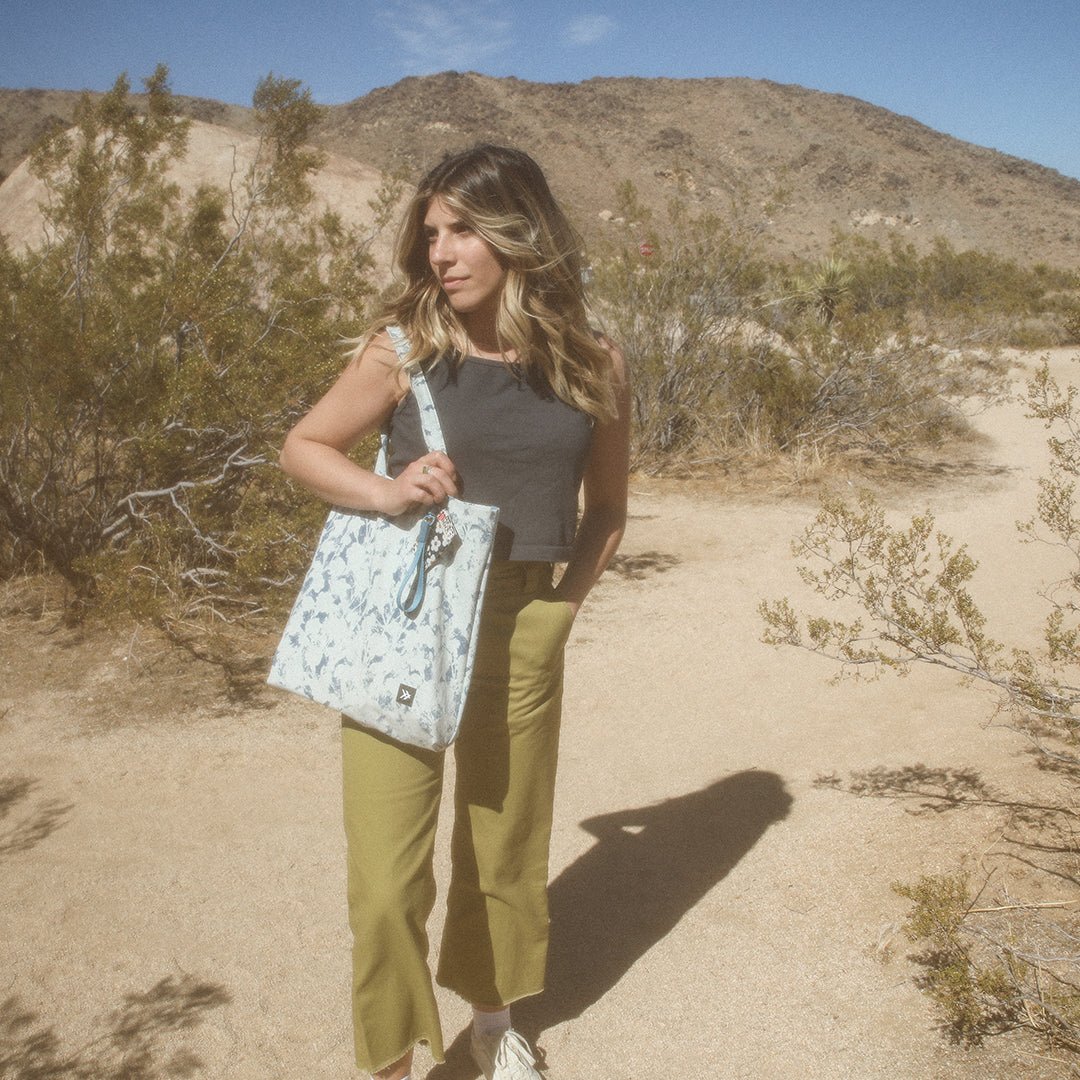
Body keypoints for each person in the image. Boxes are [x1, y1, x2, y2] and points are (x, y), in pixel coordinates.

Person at [279, 143, 630, 1080]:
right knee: (385, 879)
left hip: (523, 617)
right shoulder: (404, 349)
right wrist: (387, 491)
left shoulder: (594, 362)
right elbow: (305, 446)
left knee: (502, 846)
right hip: (409, 617)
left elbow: (608, 510)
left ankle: (492, 1021)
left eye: (464, 229)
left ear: (522, 232)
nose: (441, 251)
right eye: (432, 232)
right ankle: (392, 1059)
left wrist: (563, 610)